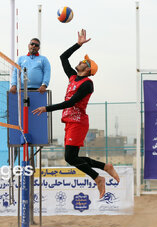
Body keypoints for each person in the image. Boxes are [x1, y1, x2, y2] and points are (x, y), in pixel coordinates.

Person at [32, 29, 120, 198]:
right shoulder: (73, 77)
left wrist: (46, 108)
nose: (80, 62)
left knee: (71, 158)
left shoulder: (88, 84)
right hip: (69, 121)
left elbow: (71, 102)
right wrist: (78, 45)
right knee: (72, 158)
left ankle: (98, 177)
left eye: (84, 62)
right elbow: (63, 57)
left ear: (88, 70)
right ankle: (105, 168)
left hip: (78, 122)